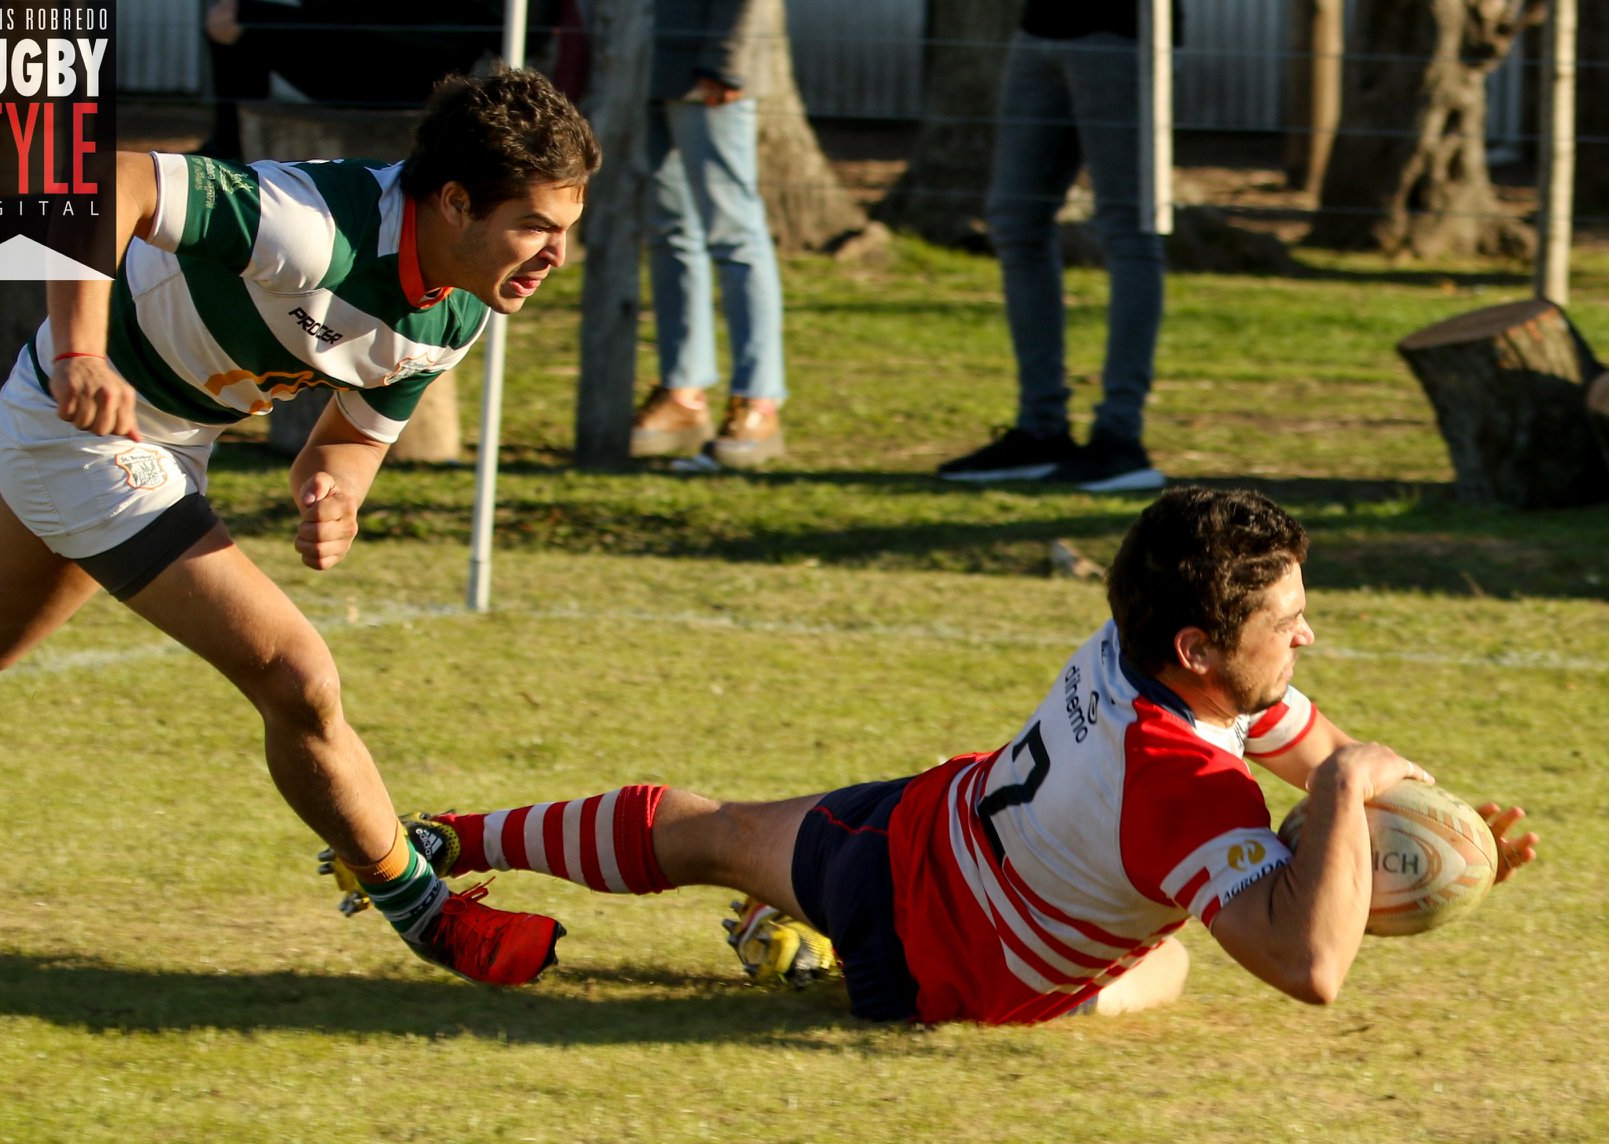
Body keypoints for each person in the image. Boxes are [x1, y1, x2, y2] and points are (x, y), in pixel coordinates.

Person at [334, 488, 1538, 1023]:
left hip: (907, 837)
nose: (1309, 634)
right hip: (948, 974)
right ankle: (811, 970)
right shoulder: (1188, 785)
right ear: (1200, 647)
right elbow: (1308, 965)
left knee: (698, 828)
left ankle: (434, 839)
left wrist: (1436, 832)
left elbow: (1307, 740)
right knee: (1165, 969)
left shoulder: (1137, 651)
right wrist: (1342, 801)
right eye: (1289, 623)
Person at [0, 68, 600, 986]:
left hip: (165, 434)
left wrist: (335, 494)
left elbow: (344, 446)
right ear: (453, 201)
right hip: (81, 428)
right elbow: (107, 180)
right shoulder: (310, 227)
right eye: (537, 226)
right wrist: (84, 352)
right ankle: (427, 912)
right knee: (297, 676)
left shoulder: (459, 308)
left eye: (567, 228)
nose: (557, 253)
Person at [938, 3, 1182, 493]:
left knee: (1130, 227)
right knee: (1014, 220)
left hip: (1123, 35)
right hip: (1039, 29)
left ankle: (1119, 438)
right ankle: (1040, 428)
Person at [626, 0, 789, 470]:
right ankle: (683, 392)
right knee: (667, 232)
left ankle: (758, 401)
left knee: (735, 235)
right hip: (643, 63)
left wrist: (727, 63)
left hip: (708, 67)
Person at [198, 0, 559, 161]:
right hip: (363, 57)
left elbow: (524, 35)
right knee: (229, 17)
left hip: (418, 76)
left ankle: (231, 150)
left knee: (230, 19)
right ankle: (232, 149)